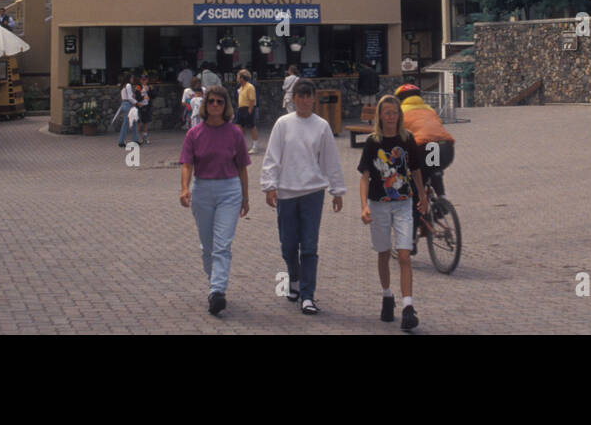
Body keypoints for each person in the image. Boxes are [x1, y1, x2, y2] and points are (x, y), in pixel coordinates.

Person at [260, 79, 347, 316]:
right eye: (301, 96)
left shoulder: (322, 126)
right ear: (293, 98)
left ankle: (307, 296)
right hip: (286, 193)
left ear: (314, 98)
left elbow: (331, 160)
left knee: (309, 246)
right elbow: (272, 157)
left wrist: (337, 190)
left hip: (312, 194)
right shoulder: (283, 124)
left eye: (309, 96)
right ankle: (294, 280)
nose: (305, 100)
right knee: (289, 246)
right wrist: (269, 186)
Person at [358, 95, 427, 331]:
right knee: (383, 253)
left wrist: (423, 196)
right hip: (378, 204)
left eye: (394, 113)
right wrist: (364, 206)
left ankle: (408, 306)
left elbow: (416, 170)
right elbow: (364, 177)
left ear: (400, 116)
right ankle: (387, 296)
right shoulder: (372, 142)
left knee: (405, 255)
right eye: (386, 113)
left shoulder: (407, 140)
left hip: (403, 203)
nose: (391, 117)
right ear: (380, 116)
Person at [179, 86, 250, 316]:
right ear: (205, 104)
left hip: (229, 189)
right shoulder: (194, 133)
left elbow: (242, 166)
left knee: (222, 245)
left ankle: (218, 291)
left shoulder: (235, 133)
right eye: (211, 101)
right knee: (207, 246)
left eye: (220, 102)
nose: (215, 105)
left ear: (226, 105)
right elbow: (187, 164)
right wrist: (184, 188)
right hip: (203, 190)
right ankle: (214, 283)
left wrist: (245, 197)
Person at [393, 84, 455, 197]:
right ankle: (442, 200)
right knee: (435, 170)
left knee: (416, 179)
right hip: (445, 146)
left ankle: (418, 210)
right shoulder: (429, 109)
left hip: (422, 147)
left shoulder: (399, 112)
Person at [235, 69, 260, 154]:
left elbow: (252, 100)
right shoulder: (240, 87)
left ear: (242, 78)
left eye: (238, 77)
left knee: (252, 127)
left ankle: (255, 146)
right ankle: (242, 145)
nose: (237, 78)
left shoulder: (250, 86)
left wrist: (250, 110)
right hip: (240, 109)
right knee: (239, 127)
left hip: (248, 108)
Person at [115, 74, 140, 148]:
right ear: (129, 78)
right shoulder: (128, 85)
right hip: (128, 104)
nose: (133, 79)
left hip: (124, 104)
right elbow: (130, 97)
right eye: (132, 78)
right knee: (133, 122)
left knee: (126, 123)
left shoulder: (123, 86)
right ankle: (134, 140)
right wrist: (136, 102)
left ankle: (122, 141)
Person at [137, 76, 153, 144]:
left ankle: (145, 137)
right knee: (138, 122)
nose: (144, 81)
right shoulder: (138, 87)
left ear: (147, 80)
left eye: (145, 80)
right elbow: (137, 97)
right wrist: (143, 97)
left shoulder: (150, 86)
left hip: (147, 106)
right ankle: (137, 138)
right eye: (142, 80)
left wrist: (148, 90)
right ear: (140, 80)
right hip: (139, 106)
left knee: (145, 122)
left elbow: (154, 95)